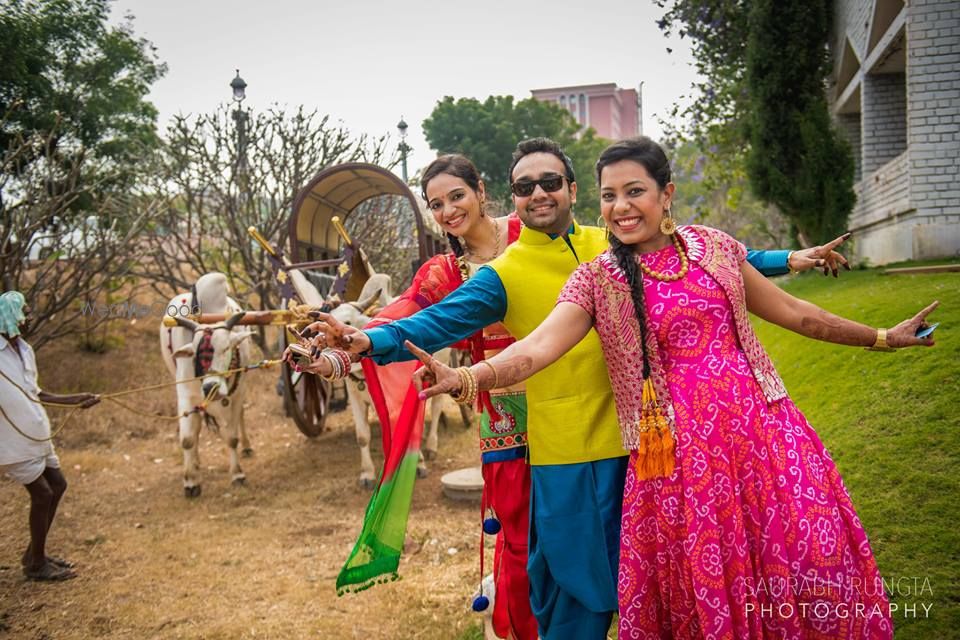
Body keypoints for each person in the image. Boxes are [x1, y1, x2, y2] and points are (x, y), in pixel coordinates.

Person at [301, 137, 852, 639]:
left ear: (570, 189)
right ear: (512, 198)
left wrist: (789, 258)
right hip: (571, 455)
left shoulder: (614, 242)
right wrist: (366, 343)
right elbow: (434, 322)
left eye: (549, 182)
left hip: (653, 449)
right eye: (525, 187)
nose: (538, 194)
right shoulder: (503, 273)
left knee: (677, 592)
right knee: (574, 603)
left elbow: (717, 260)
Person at [407, 137, 938, 639]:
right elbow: (538, 348)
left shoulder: (715, 248)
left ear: (667, 194)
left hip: (764, 441)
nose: (621, 207)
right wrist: (468, 377)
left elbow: (797, 313)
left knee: (796, 559)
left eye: (634, 191)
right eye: (609, 196)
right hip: (679, 464)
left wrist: (883, 337)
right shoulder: (597, 279)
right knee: (704, 586)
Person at [300, 154, 538, 639]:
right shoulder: (443, 273)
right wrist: (341, 356)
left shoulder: (528, 235)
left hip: (566, 396)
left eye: (457, 196)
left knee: (576, 521)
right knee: (517, 529)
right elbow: (401, 320)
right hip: (502, 408)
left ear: (481, 191)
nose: (449, 211)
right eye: (436, 204)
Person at [0, 291, 100, 581]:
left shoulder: (25, 350)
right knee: (43, 493)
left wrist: (76, 399)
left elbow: (37, 393)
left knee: (58, 484)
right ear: (9, 317)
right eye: (24, 313)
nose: (29, 318)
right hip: (12, 440)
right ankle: (36, 564)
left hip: (37, 434)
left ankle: (35, 554)